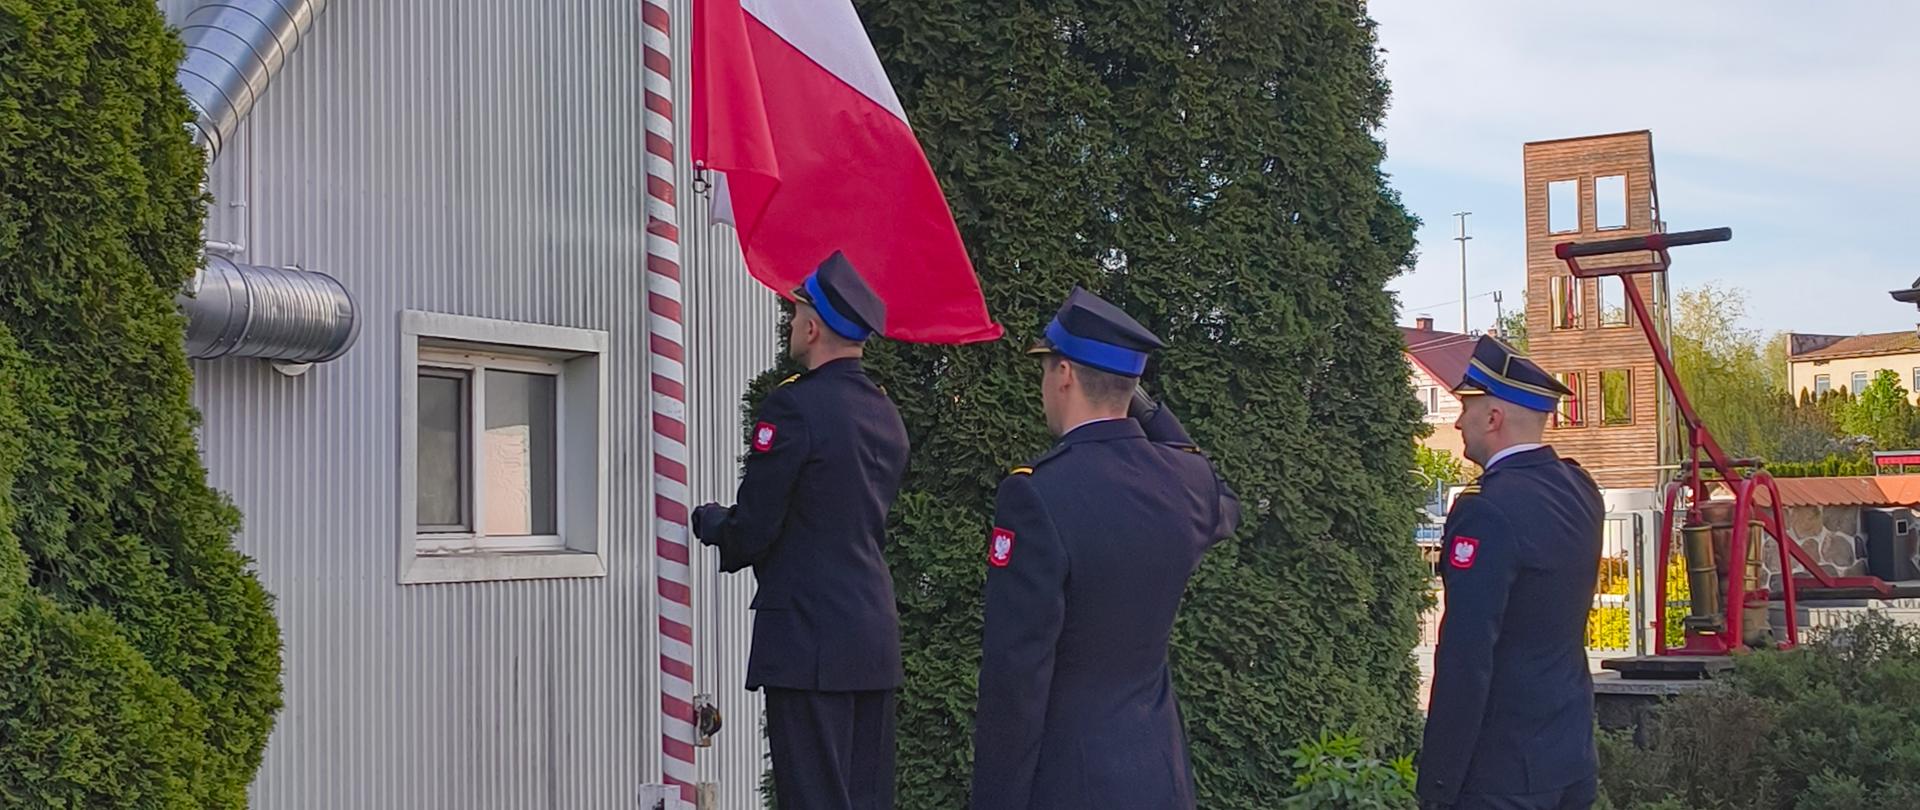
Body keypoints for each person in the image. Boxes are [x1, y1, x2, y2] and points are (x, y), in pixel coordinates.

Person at [970, 286, 1240, 810]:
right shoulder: (1186, 481)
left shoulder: (1036, 494)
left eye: (1046, 369)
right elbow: (1222, 495)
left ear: (1065, 374)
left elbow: (1015, 680)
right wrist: (1146, 408)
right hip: (1159, 769)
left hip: (1071, 779)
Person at [692, 251, 908, 810]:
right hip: (870, 635)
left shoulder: (794, 407)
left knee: (813, 796)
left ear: (812, 328)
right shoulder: (885, 412)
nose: (791, 325)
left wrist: (713, 523)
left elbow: (757, 526)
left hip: (811, 640)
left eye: (795, 316)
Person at [1417, 336, 1604, 810]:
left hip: (1500, 770)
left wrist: (1439, 781)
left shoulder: (1487, 510)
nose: (1458, 422)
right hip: (1569, 756)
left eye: (1467, 409)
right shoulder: (1579, 488)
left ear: (1493, 419)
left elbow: (1468, 654)